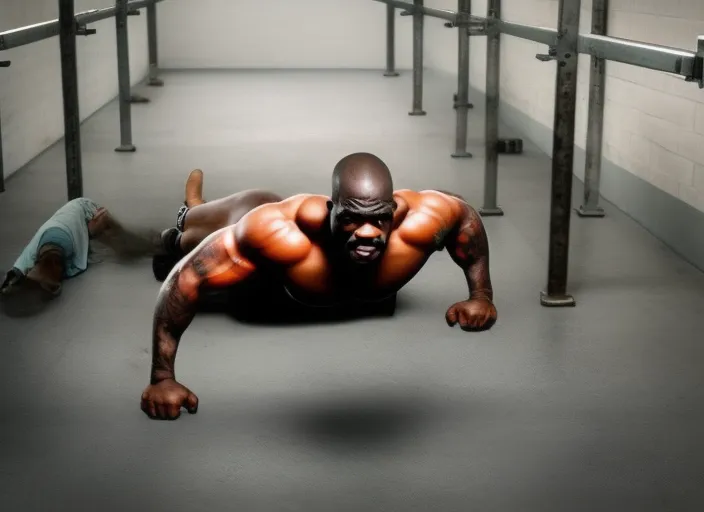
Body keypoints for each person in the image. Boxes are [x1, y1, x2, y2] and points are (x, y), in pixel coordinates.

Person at [141, 153, 497, 420]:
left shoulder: (424, 218)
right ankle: (187, 216)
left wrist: (480, 295)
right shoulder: (279, 231)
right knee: (216, 227)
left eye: (378, 219)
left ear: (394, 210)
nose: (368, 233)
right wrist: (161, 378)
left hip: (324, 291)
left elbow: (464, 217)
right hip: (266, 281)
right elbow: (187, 277)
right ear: (331, 210)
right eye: (351, 218)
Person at [1, 197, 161, 317]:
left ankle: (159, 242)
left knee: (122, 243)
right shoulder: (29, 260)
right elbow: (17, 272)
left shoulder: (44, 252)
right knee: (121, 243)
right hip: (74, 221)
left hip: (85, 209)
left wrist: (91, 231)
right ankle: (156, 242)